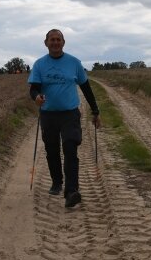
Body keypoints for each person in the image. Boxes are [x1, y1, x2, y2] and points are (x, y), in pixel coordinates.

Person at [28, 29, 101, 208]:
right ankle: (57, 182)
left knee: (70, 148)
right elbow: (34, 89)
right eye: (52, 40)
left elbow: (86, 88)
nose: (55, 42)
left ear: (63, 42)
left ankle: (71, 191)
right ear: (46, 43)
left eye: (58, 39)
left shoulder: (74, 63)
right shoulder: (39, 65)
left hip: (69, 114)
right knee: (52, 150)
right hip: (48, 114)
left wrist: (95, 111)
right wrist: (36, 97)